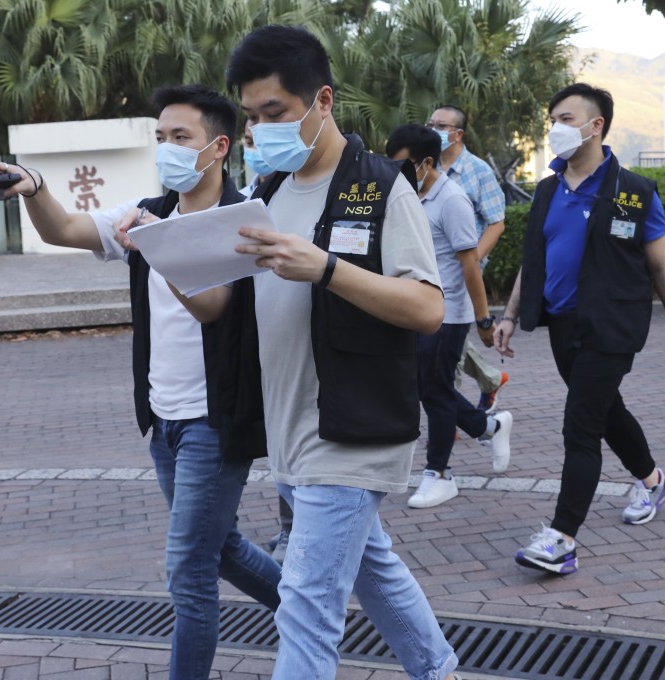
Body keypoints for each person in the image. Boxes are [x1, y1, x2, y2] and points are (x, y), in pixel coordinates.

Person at [171, 25, 459, 680]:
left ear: (321, 101)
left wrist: (327, 268)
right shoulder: (268, 193)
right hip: (293, 430)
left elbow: (427, 308)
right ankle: (438, 670)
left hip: (353, 428)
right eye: (251, 116)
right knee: (373, 569)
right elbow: (220, 307)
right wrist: (168, 261)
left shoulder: (380, 187)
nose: (260, 129)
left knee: (305, 603)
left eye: (275, 113)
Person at [0, 84, 281, 680]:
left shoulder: (241, 222)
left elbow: (213, 306)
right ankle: (308, 607)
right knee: (220, 550)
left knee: (188, 574)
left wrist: (154, 244)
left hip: (214, 423)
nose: (166, 148)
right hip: (162, 422)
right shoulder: (146, 212)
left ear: (217, 147)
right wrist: (33, 186)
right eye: (160, 137)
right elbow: (62, 229)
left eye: (180, 137)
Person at [493, 83, 665, 575]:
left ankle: (561, 538)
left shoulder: (634, 191)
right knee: (606, 412)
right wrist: (509, 315)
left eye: (566, 118)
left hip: (612, 326)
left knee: (580, 424)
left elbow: (662, 267)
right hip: (565, 327)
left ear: (596, 125)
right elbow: (533, 261)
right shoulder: (547, 189)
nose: (556, 128)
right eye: (554, 119)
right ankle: (653, 481)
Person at [386, 123, 514, 509]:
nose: (397, 174)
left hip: (449, 311)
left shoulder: (452, 200)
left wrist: (483, 320)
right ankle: (490, 426)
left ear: (427, 162)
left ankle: (439, 474)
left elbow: (470, 264)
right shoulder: (409, 194)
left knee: (435, 391)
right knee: (429, 388)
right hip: (416, 307)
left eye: (403, 166)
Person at [427, 105, 510, 411]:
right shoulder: (425, 164)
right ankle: (490, 379)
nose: (434, 129)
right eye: (431, 123)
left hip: (463, 270)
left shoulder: (477, 171)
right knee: (444, 332)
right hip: (429, 267)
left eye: (442, 126)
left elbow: (496, 222)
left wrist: (473, 259)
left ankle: (448, 416)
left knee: (447, 339)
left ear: (458, 134)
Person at [242, 122, 293, 562]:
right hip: (262, 344)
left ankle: (294, 530)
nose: (256, 146)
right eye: (249, 139)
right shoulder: (243, 200)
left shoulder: (296, 192)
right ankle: (290, 527)